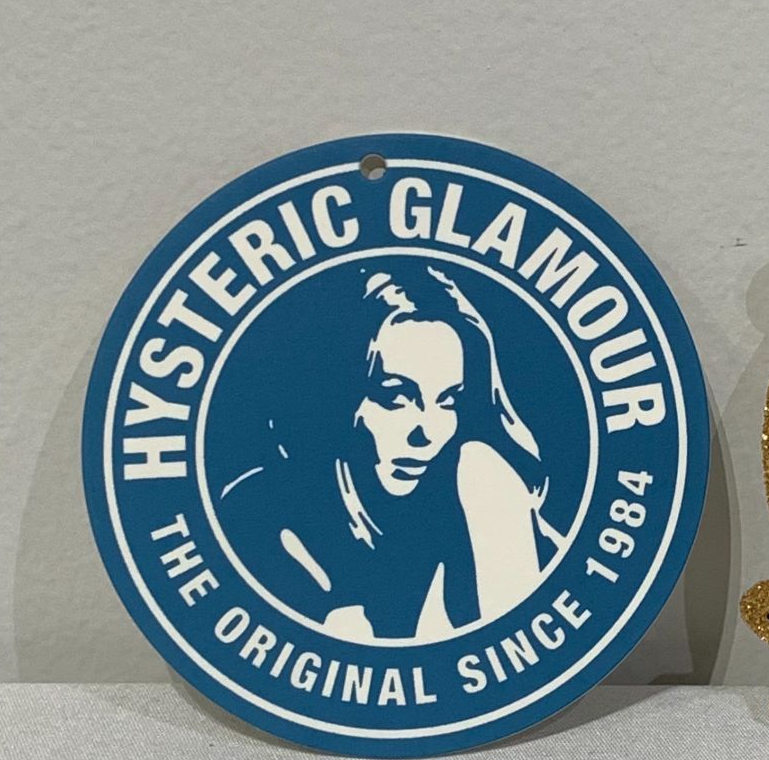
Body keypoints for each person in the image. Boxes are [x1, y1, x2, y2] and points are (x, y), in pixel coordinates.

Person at [217, 266, 561, 643]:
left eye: (448, 400)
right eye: (396, 397)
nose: (428, 432)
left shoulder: (476, 479)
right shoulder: (260, 513)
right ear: (336, 392)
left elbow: (525, 647)